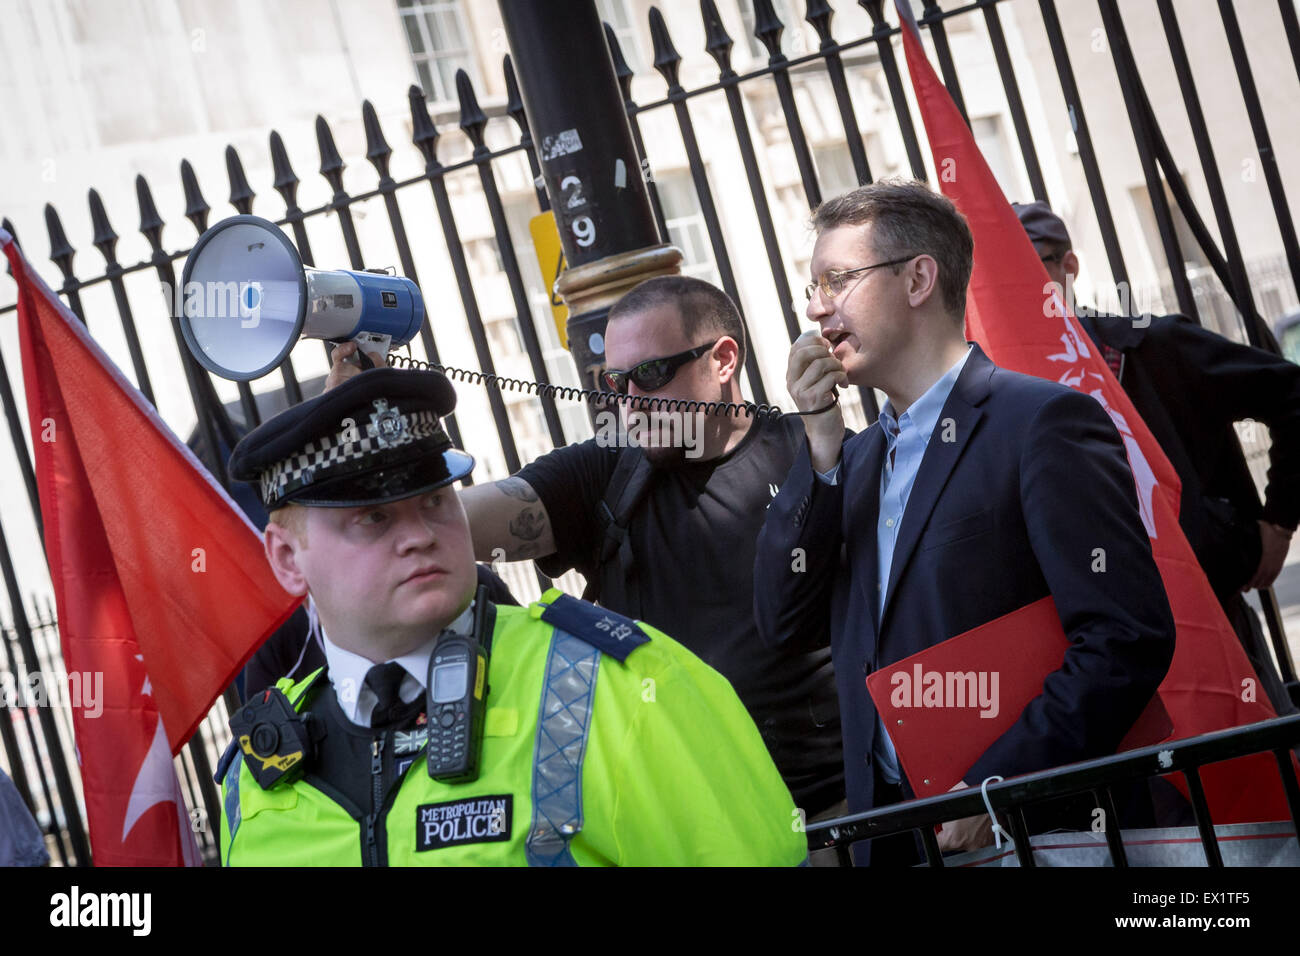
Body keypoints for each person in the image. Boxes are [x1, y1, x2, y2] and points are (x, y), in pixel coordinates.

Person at [217, 366, 805, 866]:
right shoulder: (258, 772)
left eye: (435, 500)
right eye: (373, 519)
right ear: (288, 558)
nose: (420, 536)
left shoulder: (622, 685)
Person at [753, 179, 1176, 866]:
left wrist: (996, 787)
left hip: (1037, 832)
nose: (815, 310)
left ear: (919, 277)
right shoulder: (852, 460)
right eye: (811, 287)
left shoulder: (1040, 423)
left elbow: (1125, 638)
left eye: (837, 281)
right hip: (895, 835)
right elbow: (781, 621)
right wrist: (821, 452)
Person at [326, 276, 846, 822]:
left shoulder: (814, 451)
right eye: (614, 382)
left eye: (649, 375)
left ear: (722, 360)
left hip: (838, 813)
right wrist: (366, 432)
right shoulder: (606, 469)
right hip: (684, 824)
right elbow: (448, 526)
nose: (630, 403)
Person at [1015, 200, 1300, 712]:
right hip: (1083, 655)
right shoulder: (992, 391)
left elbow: (1292, 396)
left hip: (1205, 614)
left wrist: (1277, 524)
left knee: (1259, 773)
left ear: (1068, 266)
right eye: (998, 273)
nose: (1015, 284)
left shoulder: (1151, 346)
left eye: (1030, 264)